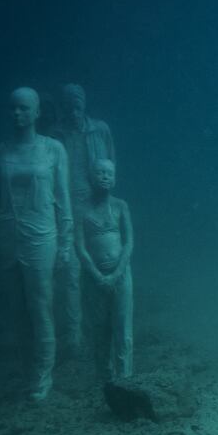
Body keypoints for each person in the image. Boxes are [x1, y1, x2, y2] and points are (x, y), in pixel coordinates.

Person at [0, 88, 74, 401]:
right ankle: (28, 372)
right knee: (17, 311)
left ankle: (43, 376)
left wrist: (66, 242)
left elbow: (63, 199)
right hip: (8, 238)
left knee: (41, 305)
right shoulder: (1, 151)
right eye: (12, 109)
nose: (16, 114)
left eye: (22, 108)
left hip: (42, 236)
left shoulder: (54, 150)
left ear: (36, 113)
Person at [53, 83, 116, 354]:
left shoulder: (100, 129)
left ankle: (105, 326)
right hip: (67, 207)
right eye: (68, 103)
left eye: (77, 102)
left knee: (103, 266)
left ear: (85, 103)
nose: (73, 107)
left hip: (96, 206)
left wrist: (105, 199)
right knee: (71, 274)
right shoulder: (55, 135)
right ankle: (74, 336)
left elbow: (110, 164)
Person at [76, 158, 134, 381]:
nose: (104, 176)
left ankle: (126, 378)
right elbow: (80, 247)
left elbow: (129, 242)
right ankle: (105, 380)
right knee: (100, 330)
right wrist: (98, 276)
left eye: (109, 173)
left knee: (123, 328)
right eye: (100, 172)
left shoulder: (121, 206)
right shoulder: (80, 209)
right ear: (91, 177)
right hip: (93, 279)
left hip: (121, 276)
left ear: (115, 178)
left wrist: (117, 273)